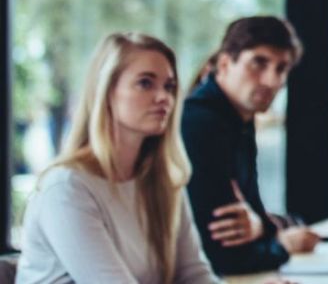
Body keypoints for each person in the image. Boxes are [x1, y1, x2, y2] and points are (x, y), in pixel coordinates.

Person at [17, 33, 219, 283]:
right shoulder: (67, 187)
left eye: (169, 87)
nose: (164, 97)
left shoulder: (164, 180)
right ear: (107, 91)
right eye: (145, 83)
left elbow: (195, 275)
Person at [181, 16, 320, 275]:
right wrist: (282, 244)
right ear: (224, 63)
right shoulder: (201, 123)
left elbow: (255, 216)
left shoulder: (238, 120)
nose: (272, 81)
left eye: (281, 69)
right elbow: (223, 254)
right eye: (259, 63)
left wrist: (263, 226)